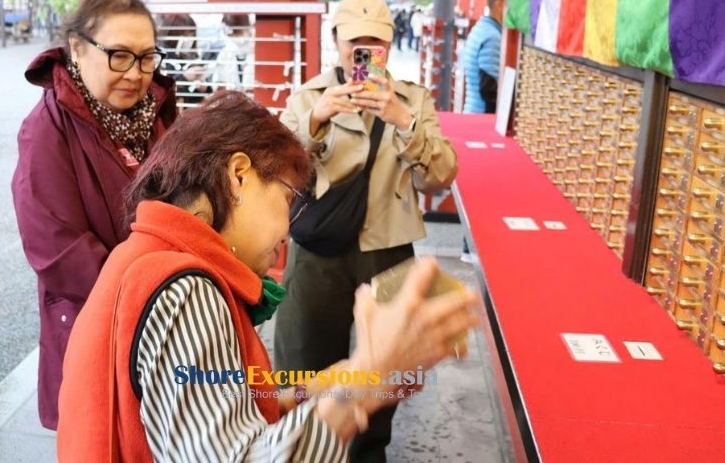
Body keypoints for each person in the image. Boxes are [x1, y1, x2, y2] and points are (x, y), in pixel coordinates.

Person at [57, 90, 479, 461]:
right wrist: (375, 371)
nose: (286, 230)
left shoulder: (140, 255)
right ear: (238, 175)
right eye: (287, 198)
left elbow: (212, 417)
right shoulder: (185, 288)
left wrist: (333, 384)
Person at [274, 0, 459, 462]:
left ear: (389, 45)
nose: (363, 54)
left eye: (374, 44)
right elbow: (274, 165)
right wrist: (316, 120)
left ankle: (368, 453)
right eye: (355, 42)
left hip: (388, 243)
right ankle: (303, 450)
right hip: (319, 246)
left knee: (388, 366)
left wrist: (402, 121)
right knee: (302, 362)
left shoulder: (412, 99)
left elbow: (440, 175)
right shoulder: (309, 96)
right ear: (335, 41)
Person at [11, 0, 178, 430]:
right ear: (77, 50)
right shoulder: (46, 129)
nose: (136, 73)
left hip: (163, 324)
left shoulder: (157, 115)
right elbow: (57, 250)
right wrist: (153, 294)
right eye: (119, 55)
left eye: (146, 57)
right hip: (99, 325)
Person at [460, 0, 505, 114]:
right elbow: (489, 90)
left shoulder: (480, 29)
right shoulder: (492, 37)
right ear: (499, 5)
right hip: (481, 115)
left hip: (471, 110)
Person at [156, 13, 210, 107]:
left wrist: (203, 88)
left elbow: (192, 98)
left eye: (191, 35)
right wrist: (184, 77)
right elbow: (161, 89)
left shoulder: (191, 57)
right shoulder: (160, 57)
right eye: (185, 35)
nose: (189, 40)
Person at [209, 13, 255, 93]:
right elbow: (218, 85)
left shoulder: (259, 51)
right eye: (232, 35)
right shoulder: (225, 54)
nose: (236, 38)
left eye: (239, 32)